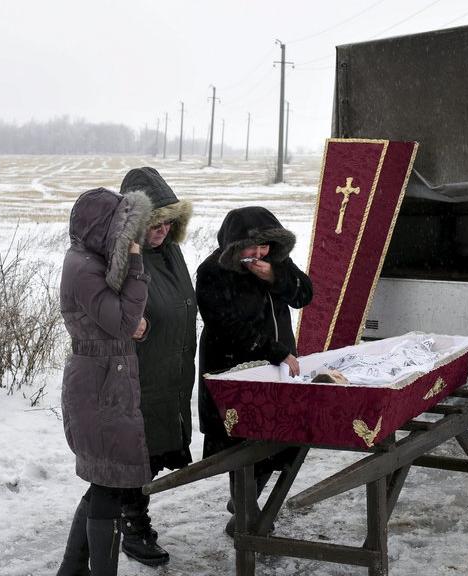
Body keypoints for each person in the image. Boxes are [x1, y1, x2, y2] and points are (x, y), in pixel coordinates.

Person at [196, 206, 313, 533]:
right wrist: (273, 351)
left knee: (279, 441)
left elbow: (304, 294)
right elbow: (226, 326)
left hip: (277, 368)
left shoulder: (275, 261)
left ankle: (244, 500)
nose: (260, 253)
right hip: (234, 369)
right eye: (252, 247)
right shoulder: (212, 272)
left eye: (265, 246)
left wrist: (276, 277)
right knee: (242, 445)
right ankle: (246, 521)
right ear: (234, 246)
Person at [56, 187, 152, 576]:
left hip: (107, 381)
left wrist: (134, 326)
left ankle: (71, 570)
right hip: (98, 387)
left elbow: (121, 324)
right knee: (107, 483)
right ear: (102, 228)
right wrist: (137, 266)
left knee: (104, 482)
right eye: (121, 229)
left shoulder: (90, 261)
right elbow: (123, 321)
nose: (127, 239)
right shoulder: (82, 267)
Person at [115, 167, 197, 566]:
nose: (162, 229)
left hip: (171, 367)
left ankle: (126, 515)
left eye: (169, 221)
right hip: (138, 371)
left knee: (157, 444)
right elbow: (102, 309)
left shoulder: (170, 252)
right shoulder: (121, 255)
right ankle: (132, 526)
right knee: (136, 451)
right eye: (154, 222)